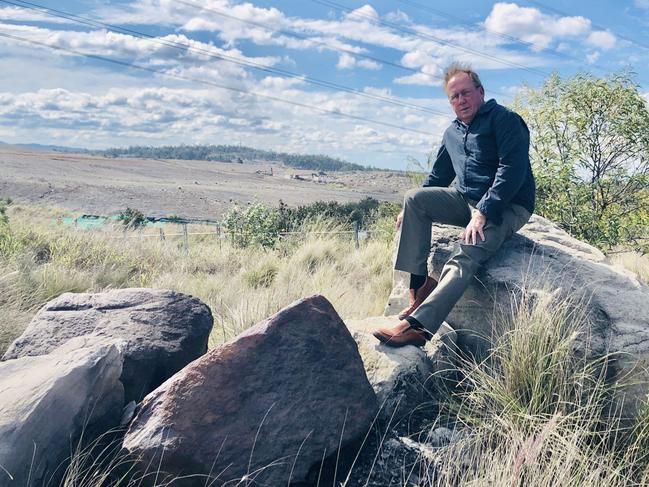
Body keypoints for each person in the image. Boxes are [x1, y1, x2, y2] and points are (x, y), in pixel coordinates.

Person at [373, 63, 536, 347]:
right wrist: (407, 211)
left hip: (507, 205)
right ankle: (420, 285)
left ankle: (419, 327)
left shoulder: (505, 120)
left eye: (465, 93)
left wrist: (484, 211)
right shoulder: (452, 131)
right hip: (465, 201)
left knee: (466, 252)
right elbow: (439, 176)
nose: (460, 100)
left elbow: (512, 169)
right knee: (415, 200)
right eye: (454, 96)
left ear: (481, 92)